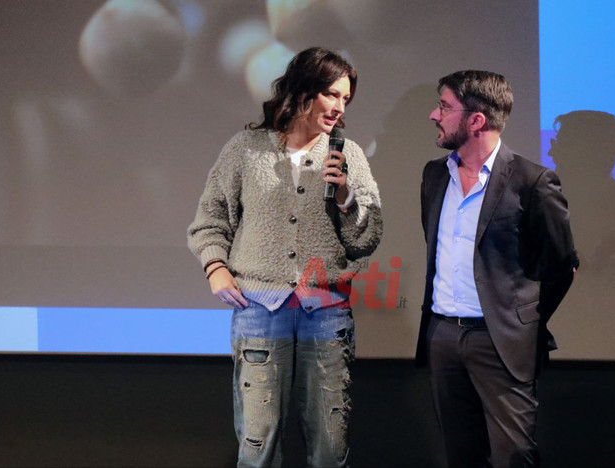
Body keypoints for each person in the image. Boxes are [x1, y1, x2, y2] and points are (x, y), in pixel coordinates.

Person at [187, 47, 382, 467]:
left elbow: (367, 238)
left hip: (326, 312)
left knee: (330, 446)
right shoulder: (245, 148)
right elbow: (210, 217)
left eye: (345, 99)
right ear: (303, 90)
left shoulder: (348, 156)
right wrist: (215, 266)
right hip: (259, 310)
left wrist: (348, 197)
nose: (338, 106)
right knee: (259, 444)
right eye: (332, 94)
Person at [416, 70, 577, 467]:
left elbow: (561, 265)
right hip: (442, 335)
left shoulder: (532, 181)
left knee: (514, 454)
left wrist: (521, 320)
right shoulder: (435, 174)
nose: (434, 115)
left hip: (499, 341)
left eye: (444, 106)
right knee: (460, 453)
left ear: (476, 121)